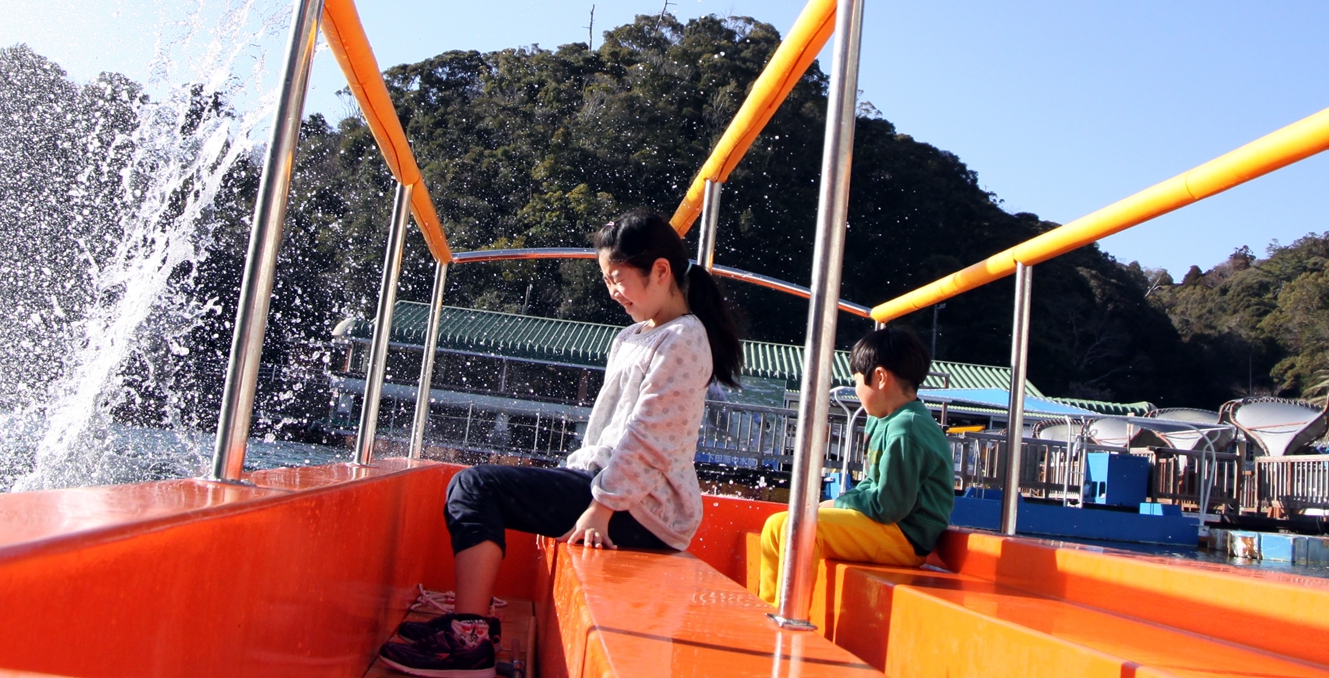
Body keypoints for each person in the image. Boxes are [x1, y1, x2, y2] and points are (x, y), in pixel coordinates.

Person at [378, 209, 742, 677]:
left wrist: (603, 505)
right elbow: (608, 430)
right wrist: (581, 478)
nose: (612, 291)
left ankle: (469, 639)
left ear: (661, 271)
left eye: (617, 278)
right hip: (610, 487)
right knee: (479, 488)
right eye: (606, 279)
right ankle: (469, 625)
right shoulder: (635, 335)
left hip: (642, 509)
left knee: (475, 487)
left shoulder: (685, 339)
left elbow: (652, 437)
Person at [757, 325, 954, 606]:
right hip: (887, 526)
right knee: (776, 524)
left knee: (799, 528)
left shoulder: (906, 429)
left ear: (881, 377)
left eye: (858, 381)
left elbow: (889, 506)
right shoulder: (883, 420)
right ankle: (769, 608)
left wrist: (839, 503)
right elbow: (873, 486)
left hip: (904, 538)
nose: (857, 390)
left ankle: (793, 613)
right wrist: (839, 503)